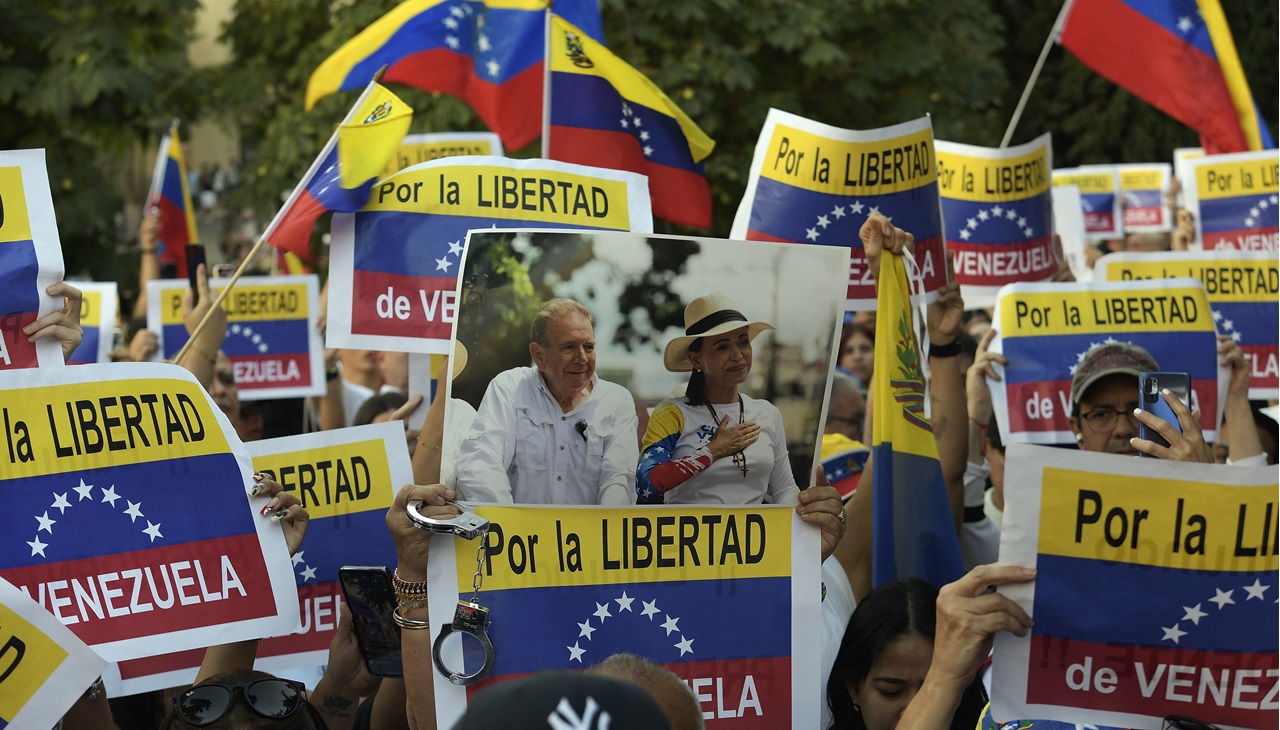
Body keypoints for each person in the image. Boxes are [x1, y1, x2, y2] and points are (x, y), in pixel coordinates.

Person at [455, 298, 639, 505]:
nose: (582, 358)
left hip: (591, 535)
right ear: (539, 355)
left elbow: (619, 479)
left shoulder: (616, 401)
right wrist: (508, 528)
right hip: (518, 535)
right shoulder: (510, 388)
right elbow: (482, 463)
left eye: (588, 347)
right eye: (568, 347)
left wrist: (605, 530)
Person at [637, 293, 798, 506]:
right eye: (722, 346)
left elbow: (785, 489)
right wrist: (714, 450)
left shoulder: (768, 413)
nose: (738, 355)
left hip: (753, 538)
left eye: (743, 342)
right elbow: (645, 484)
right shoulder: (672, 413)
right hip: (685, 538)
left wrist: (808, 508)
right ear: (696, 359)